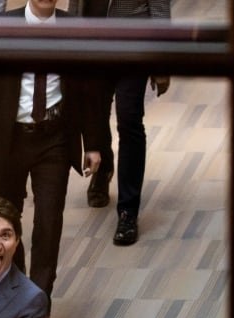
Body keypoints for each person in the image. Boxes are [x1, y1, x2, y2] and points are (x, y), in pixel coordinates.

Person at [0, 0, 106, 318]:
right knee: (7, 221)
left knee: (49, 221)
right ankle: (17, 301)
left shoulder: (75, 31)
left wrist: (94, 143)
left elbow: (89, 92)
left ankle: (39, 308)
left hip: (54, 138)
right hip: (8, 139)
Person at [82, 0, 171, 246]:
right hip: (94, 43)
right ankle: (104, 168)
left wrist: (162, 62)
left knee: (129, 120)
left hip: (134, 44)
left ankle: (128, 211)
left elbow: (160, 10)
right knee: (93, 113)